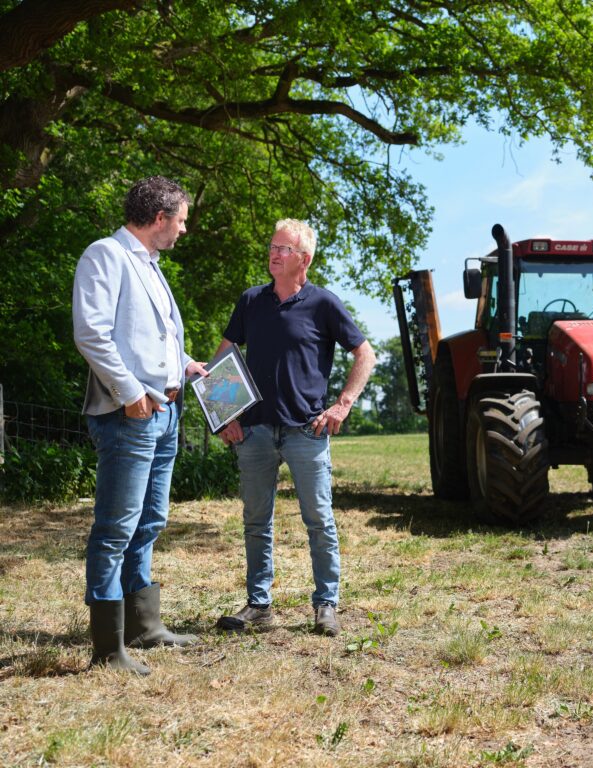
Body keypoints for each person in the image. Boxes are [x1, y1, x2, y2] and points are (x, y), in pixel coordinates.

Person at [72, 176, 208, 675]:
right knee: (115, 529)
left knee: (150, 522)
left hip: (166, 413)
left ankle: (144, 626)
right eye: (182, 220)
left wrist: (185, 365)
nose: (184, 230)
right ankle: (108, 649)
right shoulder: (105, 255)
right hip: (130, 415)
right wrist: (131, 395)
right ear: (160, 218)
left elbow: (152, 339)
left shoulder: (150, 264)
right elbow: (92, 333)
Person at [215, 219, 376, 637]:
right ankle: (258, 605)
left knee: (319, 521)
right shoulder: (251, 300)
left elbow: (365, 354)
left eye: (283, 249)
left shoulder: (323, 303)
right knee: (256, 521)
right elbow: (224, 356)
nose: (273, 253)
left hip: (307, 431)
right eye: (272, 246)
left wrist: (343, 404)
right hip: (255, 432)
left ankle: (326, 605)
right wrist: (224, 415)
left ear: (303, 259)